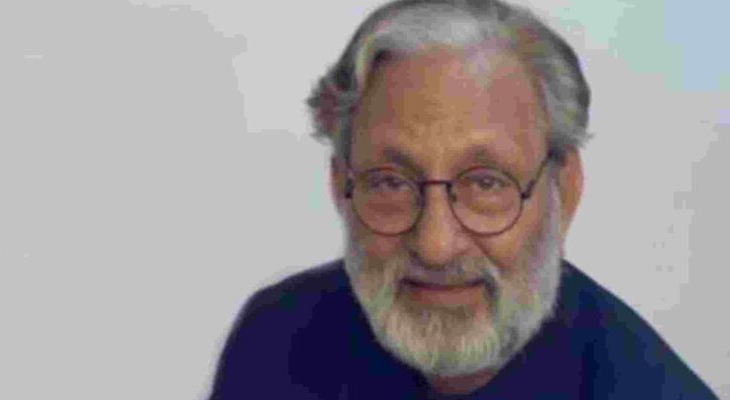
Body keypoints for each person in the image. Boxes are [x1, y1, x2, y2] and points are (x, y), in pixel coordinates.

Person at [207, 0, 718, 398]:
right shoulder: (275, 341)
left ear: (564, 191)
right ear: (340, 186)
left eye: (486, 183)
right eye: (390, 182)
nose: (435, 245)